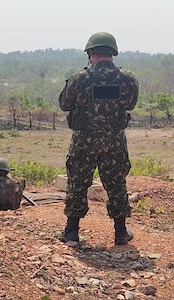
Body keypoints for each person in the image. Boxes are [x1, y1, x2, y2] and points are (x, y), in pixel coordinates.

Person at [59, 32, 139, 245]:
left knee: (77, 183)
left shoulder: (80, 78)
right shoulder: (127, 79)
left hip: (84, 141)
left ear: (91, 52)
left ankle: (71, 233)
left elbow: (65, 104)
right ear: (112, 53)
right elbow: (130, 104)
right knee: (116, 184)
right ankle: (121, 232)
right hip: (114, 141)